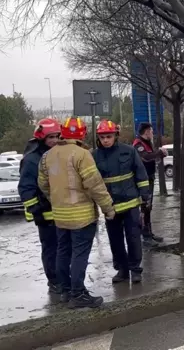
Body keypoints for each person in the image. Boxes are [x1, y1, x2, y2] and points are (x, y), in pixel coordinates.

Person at [38, 117, 115, 308]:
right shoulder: (82, 154)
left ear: (63, 133)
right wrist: (108, 209)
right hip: (81, 216)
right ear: (82, 134)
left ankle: (64, 290)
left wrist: (56, 199)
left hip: (60, 216)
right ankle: (78, 294)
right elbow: (95, 185)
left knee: (62, 252)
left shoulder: (47, 155)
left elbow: (43, 184)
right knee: (79, 254)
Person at [93, 120, 151, 284]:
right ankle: (122, 270)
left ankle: (135, 270)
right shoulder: (94, 156)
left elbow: (141, 174)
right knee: (115, 240)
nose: (106, 140)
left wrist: (145, 197)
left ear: (115, 136)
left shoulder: (129, 151)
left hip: (131, 203)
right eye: (103, 137)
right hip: (110, 206)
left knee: (133, 238)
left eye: (109, 136)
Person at [18, 118, 61, 295]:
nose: (54, 140)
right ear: (42, 138)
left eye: (57, 136)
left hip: (61, 211)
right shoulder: (31, 160)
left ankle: (63, 278)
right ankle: (54, 281)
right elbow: (26, 188)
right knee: (51, 249)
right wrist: (35, 210)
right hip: (44, 213)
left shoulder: (57, 153)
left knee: (63, 248)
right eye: (50, 137)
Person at [133, 122, 166, 246]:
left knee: (148, 207)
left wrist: (160, 156)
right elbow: (146, 157)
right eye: (151, 131)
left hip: (149, 178)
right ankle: (145, 236)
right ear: (146, 132)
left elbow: (152, 158)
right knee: (144, 206)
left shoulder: (147, 143)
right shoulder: (138, 144)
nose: (152, 133)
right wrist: (159, 152)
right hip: (142, 180)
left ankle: (149, 232)